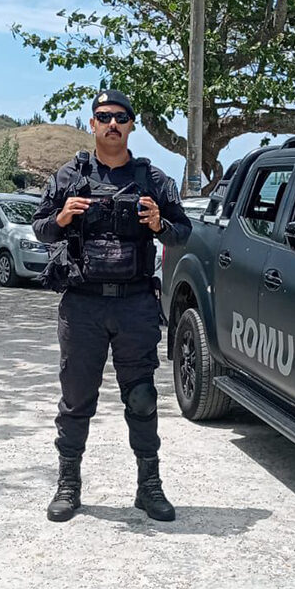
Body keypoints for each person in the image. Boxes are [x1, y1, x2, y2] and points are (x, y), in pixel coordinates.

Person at [32, 90, 192, 522]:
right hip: (82, 306)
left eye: (121, 117)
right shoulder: (70, 176)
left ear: (131, 125)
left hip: (134, 305)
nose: (112, 124)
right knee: (76, 399)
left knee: (142, 398)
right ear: (92, 124)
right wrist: (62, 218)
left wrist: (159, 223)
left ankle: (149, 486)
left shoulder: (152, 179)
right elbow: (40, 229)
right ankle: (68, 484)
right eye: (104, 117)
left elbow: (183, 232)